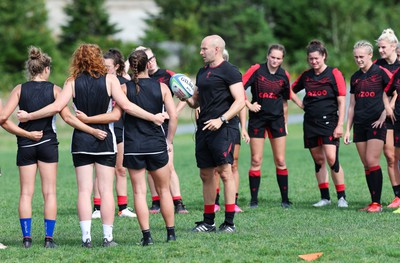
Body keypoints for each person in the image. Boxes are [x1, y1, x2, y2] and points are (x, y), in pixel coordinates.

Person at [16, 44, 165, 248]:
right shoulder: (110, 80)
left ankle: (86, 238)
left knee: (84, 192)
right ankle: (107, 238)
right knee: (106, 191)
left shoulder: (72, 82)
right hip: (105, 140)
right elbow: (127, 108)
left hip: (80, 142)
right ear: (98, 59)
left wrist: (30, 115)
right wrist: (153, 117)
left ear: (77, 59)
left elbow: (58, 108)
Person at [0, 46, 107, 248]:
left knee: (25, 193)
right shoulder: (56, 90)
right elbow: (68, 118)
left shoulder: (19, 89)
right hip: (48, 144)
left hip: (25, 145)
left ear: (30, 69)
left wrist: (26, 134)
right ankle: (49, 239)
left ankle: (27, 239)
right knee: (49, 192)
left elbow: (3, 119)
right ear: (46, 69)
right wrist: (92, 130)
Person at [184, 35, 245, 233]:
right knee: (205, 174)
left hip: (223, 129)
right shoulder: (202, 72)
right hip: (203, 129)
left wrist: (222, 119)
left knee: (225, 173)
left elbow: (240, 100)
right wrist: (185, 97)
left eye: (204, 49)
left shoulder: (230, 71)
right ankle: (208, 221)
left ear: (217, 49)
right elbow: (196, 102)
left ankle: (229, 222)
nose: (201, 52)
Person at [123, 49, 177, 245]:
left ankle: (147, 237)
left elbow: (118, 113)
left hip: (133, 146)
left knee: (139, 192)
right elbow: (174, 117)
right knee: (164, 190)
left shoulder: (124, 89)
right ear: (148, 65)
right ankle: (171, 234)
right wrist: (168, 141)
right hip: (156, 144)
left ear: (131, 66)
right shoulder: (161, 87)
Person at [77, 48, 137, 219]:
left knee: (120, 169)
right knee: (99, 171)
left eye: (109, 66)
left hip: (117, 128)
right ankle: (97, 207)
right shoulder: (97, 81)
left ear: (117, 67)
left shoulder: (121, 82)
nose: (105, 68)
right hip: (99, 128)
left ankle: (123, 207)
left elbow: (126, 107)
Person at [291, 40, 348, 208]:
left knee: (332, 158)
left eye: (316, 58)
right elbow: (289, 90)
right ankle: (325, 197)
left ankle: (342, 197)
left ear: (324, 56)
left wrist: (340, 125)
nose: (314, 62)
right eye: (311, 59)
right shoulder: (306, 76)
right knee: (318, 160)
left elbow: (342, 101)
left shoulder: (334, 73)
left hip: (329, 121)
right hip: (310, 123)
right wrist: (301, 104)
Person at [134, 46, 189, 214]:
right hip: (143, 127)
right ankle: (156, 201)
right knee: (151, 168)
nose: (150, 63)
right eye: (146, 60)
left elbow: (187, 94)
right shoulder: (135, 79)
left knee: (168, 165)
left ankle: (178, 202)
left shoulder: (168, 76)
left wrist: (172, 113)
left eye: (151, 58)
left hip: (163, 126)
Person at [345, 40, 392, 212]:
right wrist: (347, 129)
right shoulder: (355, 77)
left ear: (370, 55)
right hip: (359, 124)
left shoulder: (381, 73)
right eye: (356, 57)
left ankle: (377, 204)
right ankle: (373, 202)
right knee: (366, 164)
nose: (358, 60)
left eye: (361, 56)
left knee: (372, 160)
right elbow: (351, 106)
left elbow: (395, 94)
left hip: (376, 123)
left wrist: (384, 113)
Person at [242, 44, 292, 209]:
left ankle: (285, 200)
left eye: (278, 58)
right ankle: (254, 200)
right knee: (256, 160)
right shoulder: (257, 70)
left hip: (277, 121)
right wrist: (249, 105)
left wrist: (285, 121)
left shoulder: (284, 75)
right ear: (267, 56)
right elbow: (239, 88)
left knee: (281, 160)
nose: (275, 61)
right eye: (273, 57)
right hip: (258, 120)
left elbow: (285, 101)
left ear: (282, 59)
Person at [214, 49, 249, 213]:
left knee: (233, 164)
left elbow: (241, 104)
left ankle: (233, 202)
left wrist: (244, 128)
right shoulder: (210, 78)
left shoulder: (233, 78)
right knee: (214, 167)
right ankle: (215, 202)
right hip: (213, 126)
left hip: (231, 126)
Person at [374, 28, 400, 208]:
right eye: (379, 48)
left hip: (396, 112)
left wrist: (391, 104)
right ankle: (397, 196)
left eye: (383, 47)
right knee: (390, 156)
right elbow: (380, 90)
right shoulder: (376, 65)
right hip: (383, 116)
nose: (381, 50)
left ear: (393, 47)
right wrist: (385, 107)